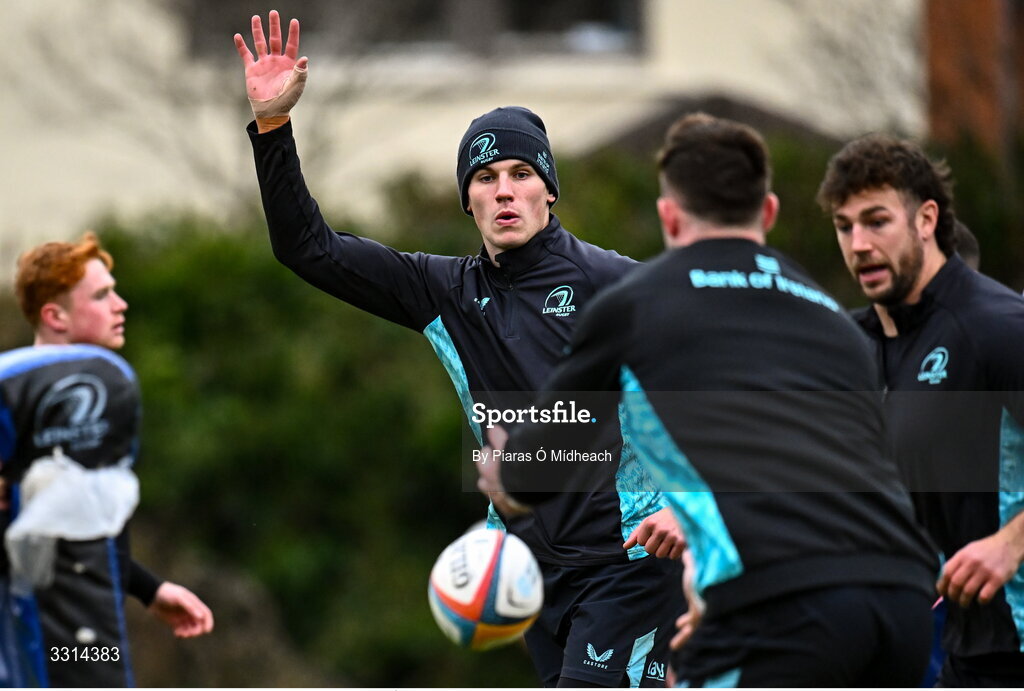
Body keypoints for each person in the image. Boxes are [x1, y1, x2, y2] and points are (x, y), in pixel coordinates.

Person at [234, 11, 684, 687]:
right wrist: (274, 127)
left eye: (520, 173)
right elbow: (309, 249)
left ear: (549, 189)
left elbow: (720, 379)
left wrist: (690, 501)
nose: (504, 188)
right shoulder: (441, 289)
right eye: (485, 177)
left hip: (626, 564)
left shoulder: (613, 282)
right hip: (525, 567)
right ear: (466, 201)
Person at [479, 113, 940, 686]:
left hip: (790, 603)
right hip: (902, 603)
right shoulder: (834, 319)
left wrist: (509, 474)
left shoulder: (639, 302)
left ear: (669, 216)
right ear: (767, 212)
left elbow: (540, 463)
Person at [817, 133, 1024, 687]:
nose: (858, 243)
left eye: (876, 220)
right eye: (844, 226)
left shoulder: (996, 328)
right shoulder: (850, 346)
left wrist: (1011, 543)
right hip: (957, 647)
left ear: (926, 219)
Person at [6, 233, 214, 685]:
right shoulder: (19, 400)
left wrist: (148, 589)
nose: (120, 304)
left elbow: (79, 536)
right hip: (46, 637)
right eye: (101, 295)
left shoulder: (94, 396)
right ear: (54, 315)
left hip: (86, 633)